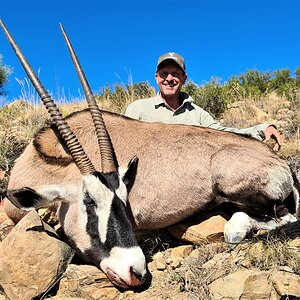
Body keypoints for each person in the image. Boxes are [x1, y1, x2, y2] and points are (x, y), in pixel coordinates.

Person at [124, 52, 282, 151]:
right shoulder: (137, 109)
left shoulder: (197, 114)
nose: (169, 79)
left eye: (175, 74)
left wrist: (262, 129)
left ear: (184, 78)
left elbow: (225, 133)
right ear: (157, 78)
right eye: (164, 74)